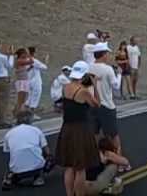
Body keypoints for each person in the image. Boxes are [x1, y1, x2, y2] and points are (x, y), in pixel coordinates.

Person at [56, 60, 101, 196]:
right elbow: (97, 104)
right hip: (80, 130)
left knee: (69, 166)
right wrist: (95, 85)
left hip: (67, 128)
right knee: (80, 168)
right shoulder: (83, 91)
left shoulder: (66, 87)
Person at [2, 109, 53, 190]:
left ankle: (10, 177)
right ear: (30, 119)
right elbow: (47, 150)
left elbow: (7, 152)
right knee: (49, 157)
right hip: (36, 167)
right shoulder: (36, 130)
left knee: (14, 158)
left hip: (16, 169)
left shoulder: (9, 133)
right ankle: (38, 178)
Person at [89, 43, 124, 160]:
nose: (108, 56)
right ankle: (118, 160)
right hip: (106, 105)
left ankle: (96, 158)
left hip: (92, 105)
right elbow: (116, 86)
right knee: (113, 135)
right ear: (103, 54)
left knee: (95, 133)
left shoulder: (89, 67)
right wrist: (119, 74)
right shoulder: (107, 69)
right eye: (107, 53)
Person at [26, 46, 48, 121]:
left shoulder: (25, 60)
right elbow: (44, 67)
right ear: (33, 52)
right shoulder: (34, 60)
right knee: (35, 97)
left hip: (28, 81)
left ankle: (26, 114)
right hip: (35, 81)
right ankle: (31, 115)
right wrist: (45, 61)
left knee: (29, 97)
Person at [13, 48, 35, 118]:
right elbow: (31, 61)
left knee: (23, 99)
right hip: (21, 82)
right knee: (21, 99)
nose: (26, 55)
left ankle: (17, 113)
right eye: (25, 53)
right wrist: (29, 55)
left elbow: (23, 71)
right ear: (21, 54)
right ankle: (17, 114)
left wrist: (29, 69)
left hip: (24, 81)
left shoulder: (21, 61)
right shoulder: (19, 60)